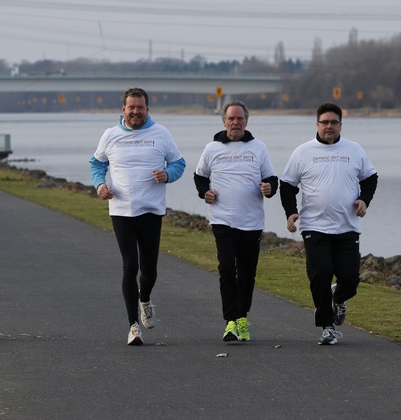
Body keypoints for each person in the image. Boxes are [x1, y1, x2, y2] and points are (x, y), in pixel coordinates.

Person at [89, 87, 186, 345]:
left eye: (140, 108)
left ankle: (145, 299)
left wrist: (168, 174)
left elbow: (179, 163)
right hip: (121, 210)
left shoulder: (161, 134)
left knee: (149, 270)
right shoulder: (110, 135)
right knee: (129, 265)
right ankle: (133, 326)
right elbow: (97, 163)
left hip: (151, 210)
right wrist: (100, 185)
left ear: (147, 109)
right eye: (131, 107)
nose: (135, 112)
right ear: (123, 109)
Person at [280, 102, 378, 345]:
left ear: (340, 125)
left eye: (334, 122)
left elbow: (370, 178)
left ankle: (340, 296)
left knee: (350, 280)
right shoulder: (303, 152)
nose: (329, 126)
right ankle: (327, 327)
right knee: (320, 274)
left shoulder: (354, 150)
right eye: (324, 122)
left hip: (347, 227)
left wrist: (364, 200)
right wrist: (291, 213)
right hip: (314, 227)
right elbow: (287, 185)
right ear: (317, 124)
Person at [194, 101, 278, 342]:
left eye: (240, 119)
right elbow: (200, 177)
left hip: (251, 222)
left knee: (247, 273)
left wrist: (269, 188)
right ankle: (231, 321)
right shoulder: (212, 148)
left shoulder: (258, 148)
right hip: (222, 219)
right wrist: (205, 193)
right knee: (227, 270)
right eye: (231, 118)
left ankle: (243, 315)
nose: (235, 122)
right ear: (224, 121)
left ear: (246, 122)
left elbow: (272, 178)